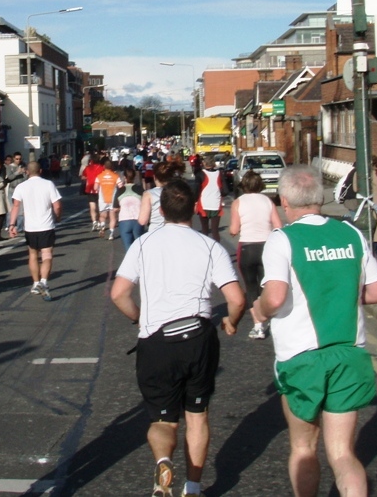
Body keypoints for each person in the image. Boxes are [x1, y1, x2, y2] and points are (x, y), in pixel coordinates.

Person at [253, 165, 377, 497]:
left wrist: (259, 310)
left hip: (302, 359)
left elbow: (275, 297)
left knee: (303, 448)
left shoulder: (282, 239)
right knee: (343, 453)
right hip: (349, 353)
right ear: (320, 196)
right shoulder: (351, 233)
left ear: (284, 201)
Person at [111, 178, 245, 497]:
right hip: (198, 337)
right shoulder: (210, 246)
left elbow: (119, 294)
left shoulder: (144, 245)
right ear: (195, 209)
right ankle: (194, 486)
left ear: (160, 209)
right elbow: (237, 299)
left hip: (157, 340)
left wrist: (137, 317)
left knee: (163, 420)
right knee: (197, 416)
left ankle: (163, 461)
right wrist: (230, 321)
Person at [229, 170, 282, 340]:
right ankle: (274, 322)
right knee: (267, 285)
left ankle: (258, 325)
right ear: (260, 185)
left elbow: (234, 229)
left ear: (243, 185)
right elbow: (278, 225)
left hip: (247, 248)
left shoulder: (238, 202)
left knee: (251, 287)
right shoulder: (268, 201)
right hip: (267, 248)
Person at [9, 161, 61, 300]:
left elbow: (15, 206)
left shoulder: (21, 186)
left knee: (32, 254)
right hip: (46, 226)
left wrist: (12, 225)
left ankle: (35, 283)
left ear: (27, 172)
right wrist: (58, 217)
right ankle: (44, 282)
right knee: (47, 255)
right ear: (41, 171)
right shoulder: (48, 184)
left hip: (30, 227)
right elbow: (57, 205)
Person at [138, 158, 185, 233]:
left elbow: (143, 221)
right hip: (175, 231)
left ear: (154, 177)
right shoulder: (177, 192)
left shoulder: (149, 194)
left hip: (155, 232)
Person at [194, 155, 225, 242]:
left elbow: (196, 190)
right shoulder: (220, 174)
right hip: (216, 204)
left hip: (203, 204)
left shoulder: (200, 174)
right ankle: (217, 249)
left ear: (204, 163)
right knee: (215, 230)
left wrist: (195, 202)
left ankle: (206, 250)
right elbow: (225, 190)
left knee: (205, 229)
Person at [112, 167, 144, 251]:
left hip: (124, 220)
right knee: (139, 246)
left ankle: (131, 262)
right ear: (134, 177)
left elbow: (115, 208)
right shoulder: (140, 189)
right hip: (138, 219)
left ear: (124, 177)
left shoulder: (120, 190)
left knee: (128, 248)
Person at [94, 159, 121, 240]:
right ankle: (111, 234)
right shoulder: (115, 176)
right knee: (113, 217)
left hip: (103, 199)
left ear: (104, 166)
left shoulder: (99, 176)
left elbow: (95, 188)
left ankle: (102, 226)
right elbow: (121, 187)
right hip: (113, 199)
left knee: (103, 215)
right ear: (112, 166)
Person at [81, 154, 102, 231]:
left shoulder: (87, 168)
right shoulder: (101, 168)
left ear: (91, 160)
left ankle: (94, 222)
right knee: (99, 206)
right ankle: (100, 222)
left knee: (92, 206)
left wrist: (88, 177)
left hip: (90, 188)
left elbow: (83, 177)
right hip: (99, 188)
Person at [6, 152, 26, 231]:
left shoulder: (23, 166)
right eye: (17, 159)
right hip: (13, 189)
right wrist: (18, 172)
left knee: (21, 208)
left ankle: (20, 227)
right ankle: (9, 225)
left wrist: (24, 173)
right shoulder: (10, 167)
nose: (18, 160)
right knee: (12, 208)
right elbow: (9, 177)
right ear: (13, 159)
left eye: (20, 159)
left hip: (21, 189)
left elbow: (25, 178)